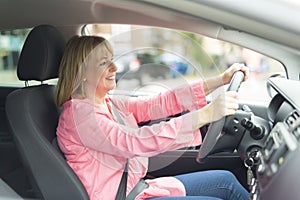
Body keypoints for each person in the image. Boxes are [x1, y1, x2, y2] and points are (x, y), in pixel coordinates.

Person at [55, 35, 249, 200]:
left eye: (112, 59)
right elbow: (134, 141)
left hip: (139, 188)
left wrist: (220, 80)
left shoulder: (108, 103)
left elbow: (159, 103)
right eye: (104, 63)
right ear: (82, 72)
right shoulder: (79, 116)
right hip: (123, 196)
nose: (114, 67)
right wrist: (205, 114)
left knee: (227, 181)